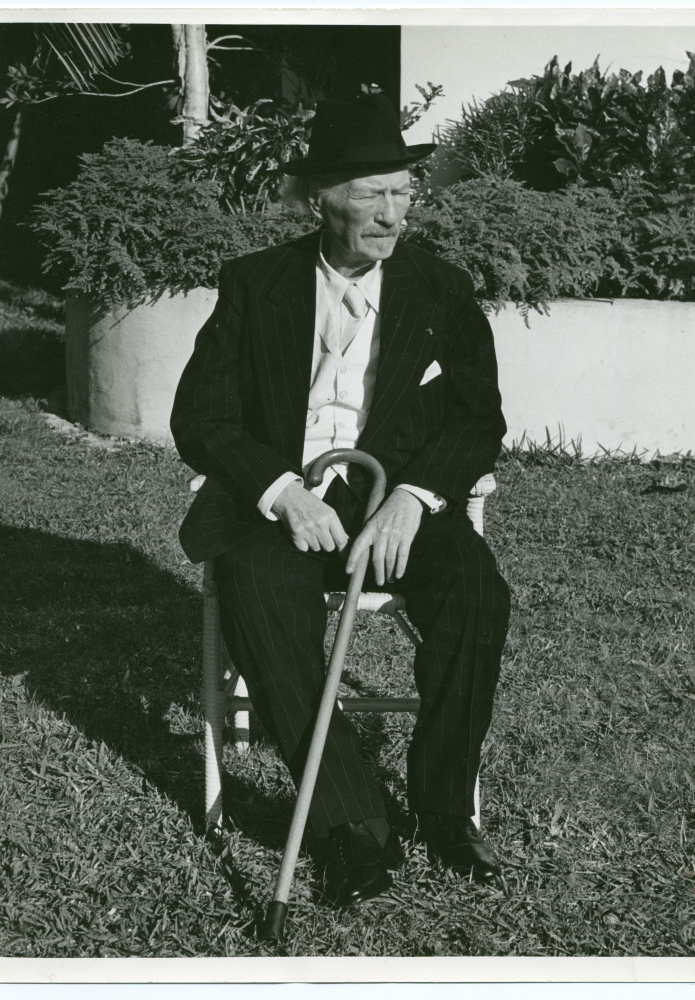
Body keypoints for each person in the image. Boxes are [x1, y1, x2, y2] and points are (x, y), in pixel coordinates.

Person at [171, 92, 511, 907]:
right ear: (321, 197)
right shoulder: (257, 284)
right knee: (257, 594)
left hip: (394, 499)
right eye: (372, 195)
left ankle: (440, 810)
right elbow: (201, 418)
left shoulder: (439, 287)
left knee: (476, 593)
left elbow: (478, 417)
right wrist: (283, 492)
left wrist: (416, 498)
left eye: (403, 193)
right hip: (287, 502)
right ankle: (351, 824)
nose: (392, 215)